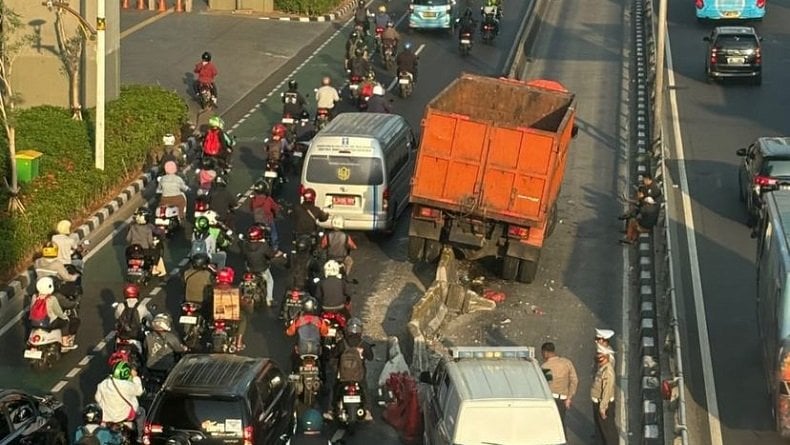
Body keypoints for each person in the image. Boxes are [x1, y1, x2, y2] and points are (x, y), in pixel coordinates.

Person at [333, 317, 374, 420]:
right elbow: (371, 358)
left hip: (343, 375)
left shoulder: (342, 343)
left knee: (334, 388)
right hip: (359, 376)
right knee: (364, 389)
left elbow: (332, 354)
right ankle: (368, 411)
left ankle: (330, 410)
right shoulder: (363, 344)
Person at [95, 361, 145, 437]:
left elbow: (97, 398)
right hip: (125, 417)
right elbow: (139, 391)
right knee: (141, 411)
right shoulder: (127, 385)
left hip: (106, 418)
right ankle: (140, 436)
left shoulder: (103, 384)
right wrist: (135, 377)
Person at [29, 277, 79, 350]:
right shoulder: (51, 299)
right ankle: (65, 342)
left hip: (34, 322)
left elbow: (31, 308)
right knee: (65, 322)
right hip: (49, 323)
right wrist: (65, 317)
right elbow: (58, 312)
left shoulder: (34, 296)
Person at [241, 224, 283, 307]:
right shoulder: (263, 246)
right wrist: (278, 253)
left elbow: (243, 255)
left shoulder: (245, 245)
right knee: (270, 281)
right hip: (262, 269)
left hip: (250, 268)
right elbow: (271, 254)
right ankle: (269, 300)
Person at [540, 342, 578, 428]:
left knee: (550, 425)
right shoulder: (567, 362)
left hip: (551, 398)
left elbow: (546, 384)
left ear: (546, 353)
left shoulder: (546, 366)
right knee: (561, 423)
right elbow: (574, 380)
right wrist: (569, 397)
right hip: (563, 399)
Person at [286, 297, 329, 371]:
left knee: (293, 358)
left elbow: (289, 332)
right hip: (316, 349)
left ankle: (294, 372)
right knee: (324, 358)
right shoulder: (319, 320)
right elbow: (325, 332)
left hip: (301, 349)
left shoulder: (299, 320)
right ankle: (323, 374)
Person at [126, 208, 165, 277]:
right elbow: (150, 242)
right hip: (144, 250)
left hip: (132, 250)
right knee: (156, 253)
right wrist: (153, 245)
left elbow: (128, 239)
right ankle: (154, 268)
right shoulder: (148, 228)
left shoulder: (132, 227)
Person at [114, 284, 153, 353]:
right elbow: (150, 318)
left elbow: (116, 317)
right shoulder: (141, 307)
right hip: (136, 336)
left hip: (122, 336)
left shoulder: (120, 306)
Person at [591, 343, 617, 445]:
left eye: (600, 355)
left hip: (603, 404)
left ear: (605, 357)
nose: (597, 357)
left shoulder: (608, 371)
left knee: (608, 431)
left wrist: (602, 407)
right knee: (600, 429)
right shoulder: (601, 368)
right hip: (597, 402)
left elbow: (607, 391)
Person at [249, 182, 281, 250]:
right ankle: (274, 247)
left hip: (257, 221)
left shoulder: (253, 199)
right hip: (268, 221)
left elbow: (251, 208)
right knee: (273, 233)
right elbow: (276, 208)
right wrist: (276, 214)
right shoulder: (268, 199)